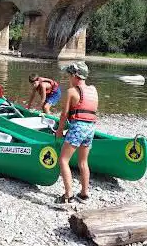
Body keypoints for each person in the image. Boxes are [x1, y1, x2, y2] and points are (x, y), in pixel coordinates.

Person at [55, 62, 97, 204]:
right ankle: (84, 194)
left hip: (78, 127)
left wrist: (60, 131)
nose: (68, 78)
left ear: (74, 75)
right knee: (83, 162)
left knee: (63, 160)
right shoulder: (93, 90)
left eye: (69, 75)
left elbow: (64, 115)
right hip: (91, 127)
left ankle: (68, 196)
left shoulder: (72, 91)